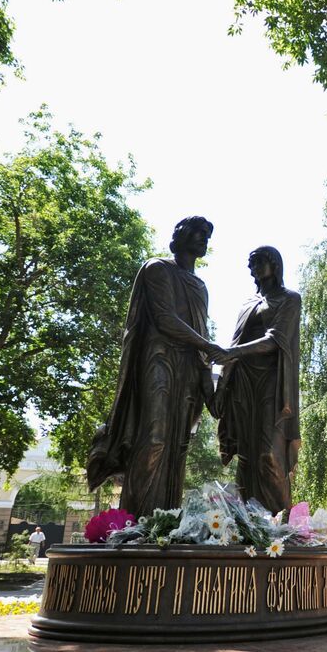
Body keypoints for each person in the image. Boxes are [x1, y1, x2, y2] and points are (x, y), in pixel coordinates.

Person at [87, 216, 224, 517]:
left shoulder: (201, 287)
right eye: (197, 232)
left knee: (178, 448)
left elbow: (202, 331)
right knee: (154, 438)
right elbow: (164, 318)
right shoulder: (157, 268)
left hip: (188, 372)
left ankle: (164, 523)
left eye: (207, 235)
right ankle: (136, 522)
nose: (203, 238)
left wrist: (208, 382)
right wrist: (207, 346)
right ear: (180, 236)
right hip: (158, 359)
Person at [212, 246, 301, 515]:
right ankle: (248, 524)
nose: (253, 268)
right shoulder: (247, 304)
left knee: (269, 455)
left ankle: (278, 525)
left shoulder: (290, 299)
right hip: (243, 383)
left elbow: (277, 339)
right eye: (250, 264)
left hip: (271, 385)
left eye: (258, 262)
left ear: (274, 264)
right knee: (247, 457)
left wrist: (231, 353)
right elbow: (236, 339)